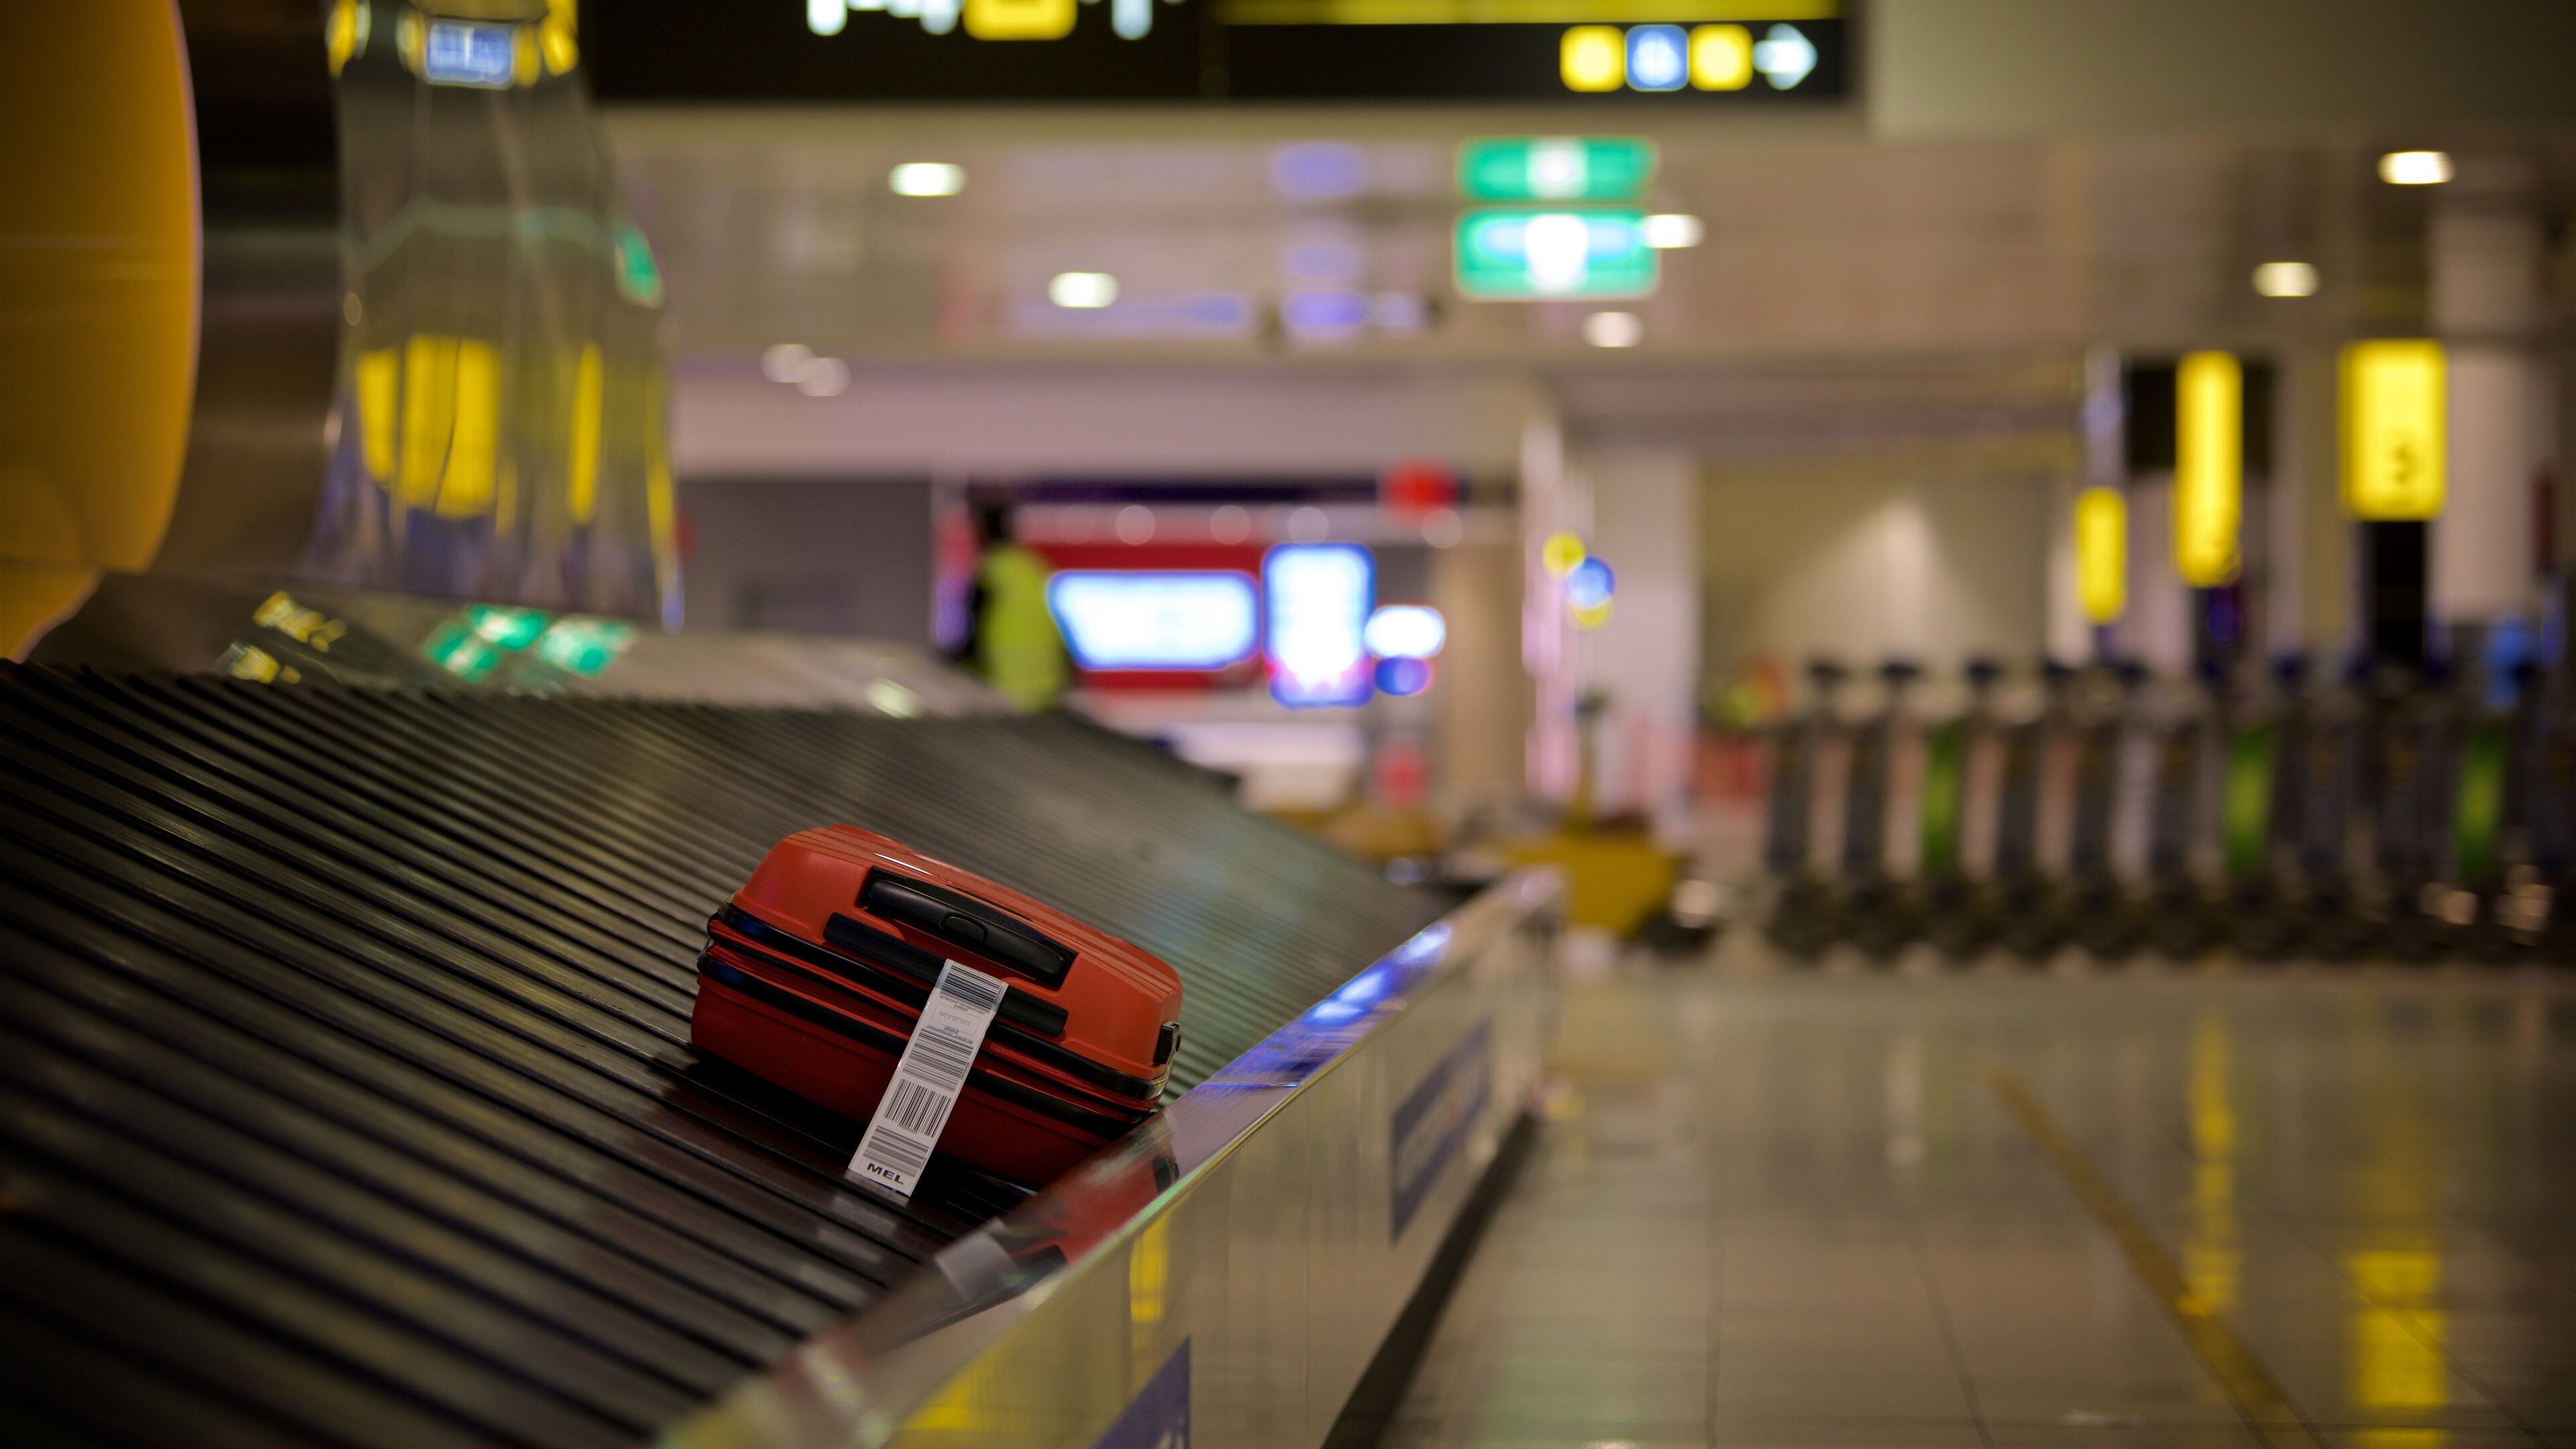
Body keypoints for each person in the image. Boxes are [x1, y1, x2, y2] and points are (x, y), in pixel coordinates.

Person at [959, 500, 1069, 710]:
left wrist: (963, 661)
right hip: (1047, 676)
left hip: (1006, 677)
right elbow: (1055, 618)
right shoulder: (1032, 565)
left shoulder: (990, 569)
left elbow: (975, 621)